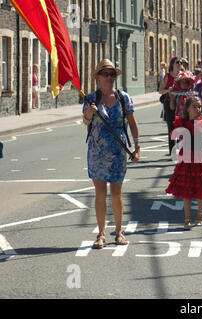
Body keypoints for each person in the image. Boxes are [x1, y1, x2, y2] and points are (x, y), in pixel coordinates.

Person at [82, 59, 141, 249]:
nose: (109, 77)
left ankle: (119, 231)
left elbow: (132, 122)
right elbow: (85, 121)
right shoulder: (91, 98)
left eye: (112, 74)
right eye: (106, 73)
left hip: (117, 151)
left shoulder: (124, 98)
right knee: (100, 193)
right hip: (97, 151)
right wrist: (90, 113)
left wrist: (138, 147)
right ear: (98, 77)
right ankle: (101, 234)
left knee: (116, 193)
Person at [166, 97, 202, 229]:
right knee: (187, 190)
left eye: (199, 106)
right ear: (187, 109)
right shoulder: (183, 123)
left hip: (200, 158)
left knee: (200, 188)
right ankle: (187, 218)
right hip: (186, 158)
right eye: (195, 106)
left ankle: (200, 215)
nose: (198, 109)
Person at [159, 56, 182, 154]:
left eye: (181, 62)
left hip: (181, 103)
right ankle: (172, 150)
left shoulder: (183, 75)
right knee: (171, 126)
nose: (179, 64)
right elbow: (160, 90)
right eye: (177, 62)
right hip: (170, 102)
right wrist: (169, 90)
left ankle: (182, 149)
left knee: (182, 126)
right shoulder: (168, 76)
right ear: (172, 64)